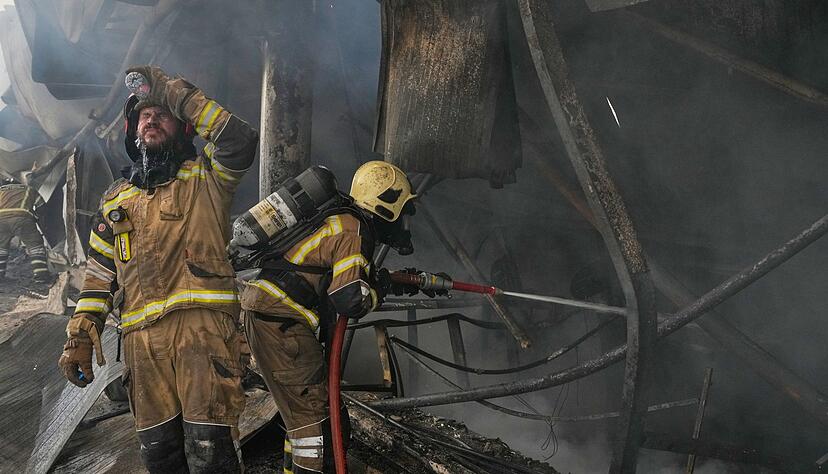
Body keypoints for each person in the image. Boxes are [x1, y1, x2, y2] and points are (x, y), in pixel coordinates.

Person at [57, 65, 258, 473]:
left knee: (210, 455)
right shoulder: (117, 200)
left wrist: (172, 92)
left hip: (202, 335)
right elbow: (99, 274)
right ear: (133, 133)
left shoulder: (207, 178)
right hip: (141, 347)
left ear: (184, 129)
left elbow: (239, 139)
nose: (151, 118)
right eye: (143, 115)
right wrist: (80, 332)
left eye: (161, 113)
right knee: (160, 457)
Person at [240, 161, 425, 473]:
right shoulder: (355, 231)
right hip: (281, 326)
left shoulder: (340, 220)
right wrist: (378, 290)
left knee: (307, 418)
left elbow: (335, 278)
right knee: (317, 429)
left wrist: (386, 281)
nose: (404, 220)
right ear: (386, 204)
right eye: (403, 208)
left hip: (272, 319)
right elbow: (350, 299)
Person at [0, 179, 50, 282]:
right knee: (35, 246)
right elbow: (42, 208)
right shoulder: (29, 189)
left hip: (1, 219)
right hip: (21, 219)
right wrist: (39, 221)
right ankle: (41, 277)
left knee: (1, 248)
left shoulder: (1, 190)